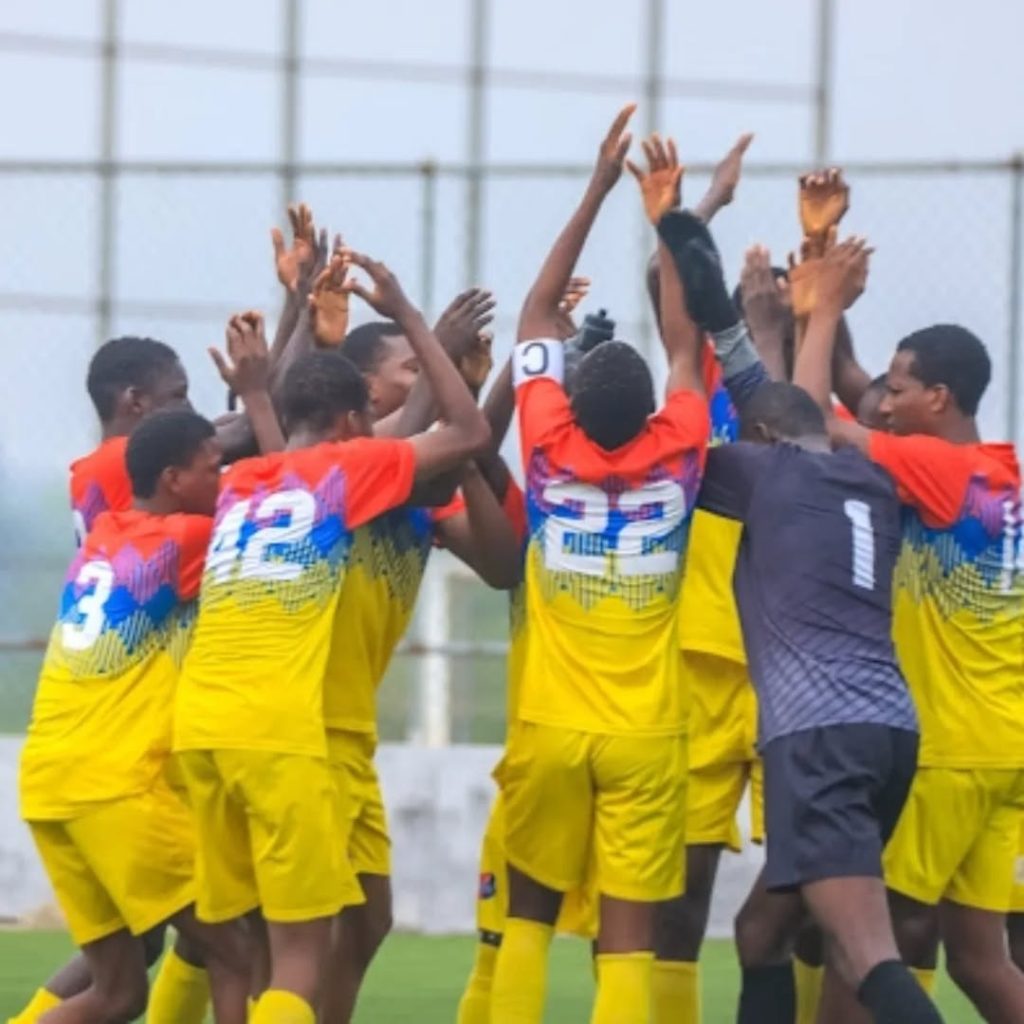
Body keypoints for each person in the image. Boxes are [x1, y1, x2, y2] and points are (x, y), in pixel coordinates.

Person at [172, 250, 490, 1024]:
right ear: (356, 420)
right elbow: (470, 430)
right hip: (288, 731)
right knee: (301, 953)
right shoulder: (347, 471)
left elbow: (277, 431)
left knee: (285, 935)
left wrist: (265, 372)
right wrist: (420, 322)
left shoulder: (248, 479)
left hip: (203, 724)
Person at [665, 210, 944, 1024]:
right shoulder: (869, 480)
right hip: (889, 730)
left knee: (871, 960)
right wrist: (808, 308)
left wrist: (746, 310)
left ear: (756, 441)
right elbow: (788, 403)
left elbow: (719, 431)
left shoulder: (767, 477)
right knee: (762, 931)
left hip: (817, 739)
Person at [488, 108, 709, 1024]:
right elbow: (689, 345)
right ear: (653, 405)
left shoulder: (545, 446)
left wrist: (596, 188)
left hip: (550, 723)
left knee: (529, 916)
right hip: (648, 733)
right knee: (630, 934)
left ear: (567, 401)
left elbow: (537, 315)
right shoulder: (683, 443)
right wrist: (669, 218)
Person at [796, 243, 1024, 1022]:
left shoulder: (940, 469)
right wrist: (822, 265)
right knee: (979, 958)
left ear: (939, 397)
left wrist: (819, 312)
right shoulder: (1003, 477)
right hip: (1005, 750)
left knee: (866, 943)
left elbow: (811, 420)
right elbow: (857, 395)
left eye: (898, 391)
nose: (884, 403)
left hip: (948, 750)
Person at [318, 289, 521, 1024]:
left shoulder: (418, 485)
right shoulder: (337, 469)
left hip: (346, 737)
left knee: (365, 923)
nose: (426, 372)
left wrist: (510, 374)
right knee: (269, 936)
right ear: (367, 390)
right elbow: (411, 445)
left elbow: (503, 564)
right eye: (412, 366)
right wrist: (447, 367)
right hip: (295, 731)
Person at [20, 407, 255, 1024]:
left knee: (118, 993)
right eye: (214, 469)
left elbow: (228, 440)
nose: (225, 477)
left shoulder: (106, 532)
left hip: (49, 780)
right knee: (238, 950)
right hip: (116, 783)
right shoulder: (185, 540)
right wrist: (264, 393)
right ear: (176, 480)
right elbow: (294, 477)